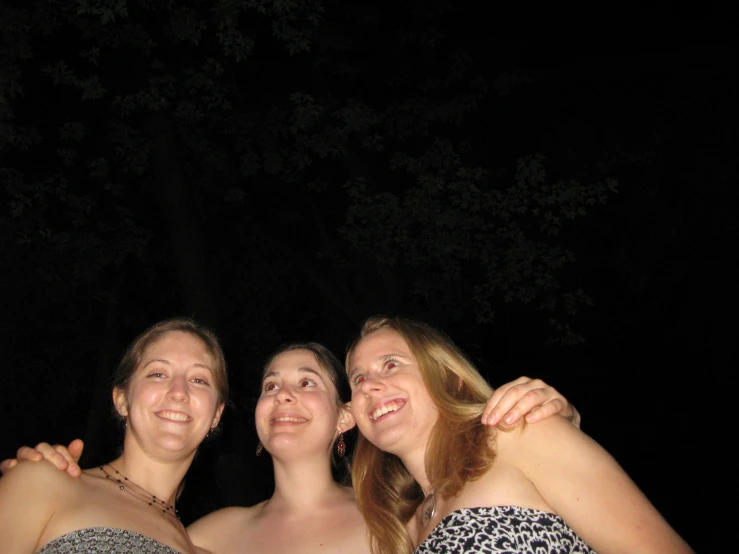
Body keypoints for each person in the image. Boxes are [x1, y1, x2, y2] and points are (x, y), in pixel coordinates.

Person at [4, 340, 580, 554]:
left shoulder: (402, 526)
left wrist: (560, 421)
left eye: (309, 383)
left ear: (346, 418)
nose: (284, 396)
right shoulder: (200, 539)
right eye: (270, 385)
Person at [345, 315, 695, 554]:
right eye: (357, 379)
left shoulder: (516, 434)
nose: (370, 386)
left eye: (391, 364)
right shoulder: (401, 531)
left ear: (446, 376)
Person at [0, 317, 228, 553]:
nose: (179, 391)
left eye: (198, 380)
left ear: (216, 414)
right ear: (121, 400)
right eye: (158, 374)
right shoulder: (44, 481)